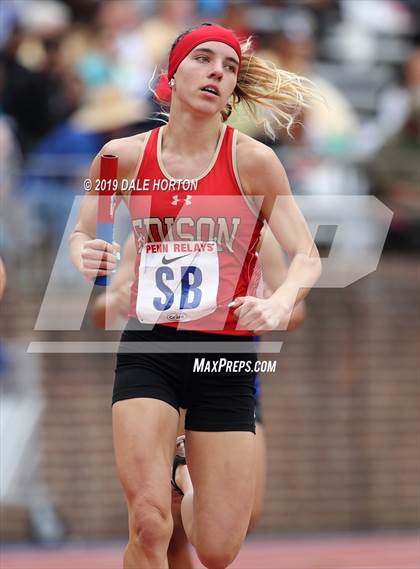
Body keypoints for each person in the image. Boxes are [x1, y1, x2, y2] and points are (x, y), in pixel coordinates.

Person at [69, 23, 321, 569]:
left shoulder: (253, 162)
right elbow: (85, 232)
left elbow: (308, 255)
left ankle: (185, 472)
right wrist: (87, 256)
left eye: (229, 67)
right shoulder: (121, 158)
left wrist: (278, 304)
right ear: (170, 74)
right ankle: (170, 485)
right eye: (203, 59)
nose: (217, 72)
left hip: (226, 357)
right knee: (150, 522)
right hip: (150, 349)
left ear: (233, 89)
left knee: (219, 547)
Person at [91, 227, 306, 568]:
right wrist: (115, 300)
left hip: (227, 380)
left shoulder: (257, 237)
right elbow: (103, 310)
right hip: (166, 384)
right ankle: (178, 477)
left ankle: (183, 476)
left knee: (239, 517)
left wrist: (269, 306)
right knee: (159, 523)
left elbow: (296, 310)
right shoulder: (147, 234)